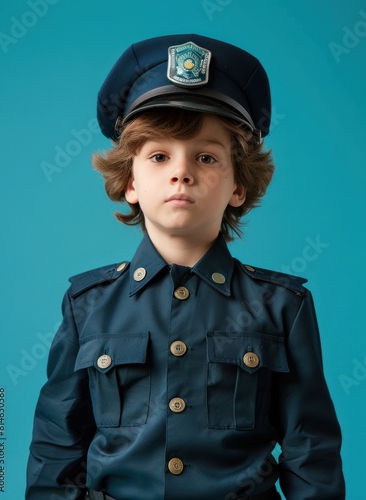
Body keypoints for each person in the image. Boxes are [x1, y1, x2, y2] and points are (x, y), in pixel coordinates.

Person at [26, 34, 345, 500]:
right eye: (159, 156)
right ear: (130, 182)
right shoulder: (86, 305)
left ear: (239, 186)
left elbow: (311, 452)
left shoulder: (282, 307)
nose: (182, 172)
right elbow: (56, 450)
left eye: (206, 157)